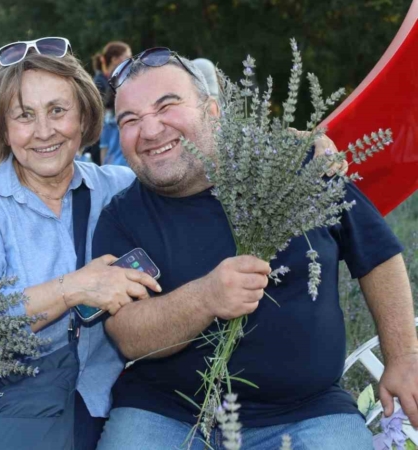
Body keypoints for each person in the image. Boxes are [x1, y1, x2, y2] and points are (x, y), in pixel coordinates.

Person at [92, 47, 418, 449]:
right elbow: (127, 334)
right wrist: (207, 297)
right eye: (130, 120)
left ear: (212, 111)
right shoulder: (121, 218)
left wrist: (403, 357)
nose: (152, 130)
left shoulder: (297, 168)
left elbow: (378, 255)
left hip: (308, 412)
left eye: (167, 106)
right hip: (165, 414)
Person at [0, 38, 160, 450]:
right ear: (3, 127)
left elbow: (195, 181)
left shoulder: (121, 189)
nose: (44, 132)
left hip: (90, 398)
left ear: (84, 115)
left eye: (58, 111)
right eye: (24, 116)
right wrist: (73, 288)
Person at [89, 41, 132, 166]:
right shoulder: (100, 83)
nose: (131, 61)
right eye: (127, 57)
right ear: (114, 59)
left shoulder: (109, 80)